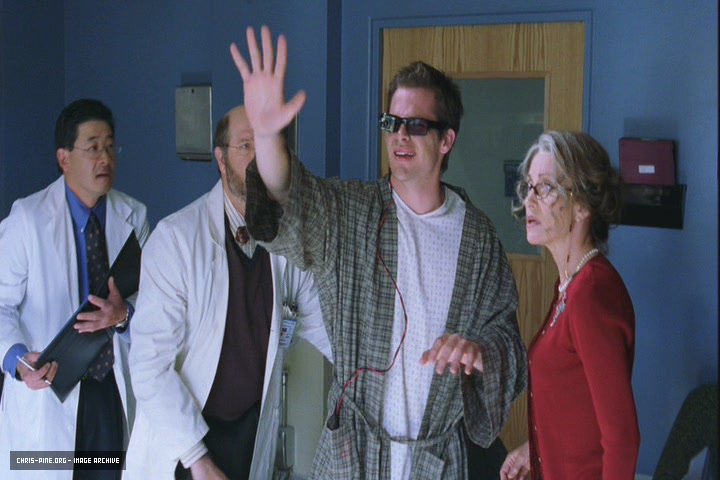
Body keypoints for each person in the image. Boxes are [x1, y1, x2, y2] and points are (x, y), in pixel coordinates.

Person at [230, 26, 527, 479]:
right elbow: (289, 200)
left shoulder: (478, 238)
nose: (400, 136)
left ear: (446, 140)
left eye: (416, 125)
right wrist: (269, 137)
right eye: (391, 123)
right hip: (353, 455)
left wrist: (479, 350)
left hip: (436, 460)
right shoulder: (351, 214)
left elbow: (507, 338)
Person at [124, 105, 331, 480]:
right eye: (246, 145)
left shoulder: (286, 241)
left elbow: (325, 326)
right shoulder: (175, 240)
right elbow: (149, 366)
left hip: (248, 441)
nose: (258, 158)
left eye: (266, 144)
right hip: (183, 448)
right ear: (220, 160)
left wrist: (381, 369)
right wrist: (197, 458)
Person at [0, 98, 149, 480]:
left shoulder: (134, 217)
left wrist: (124, 315)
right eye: (93, 147)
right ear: (64, 158)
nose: (105, 158)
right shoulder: (28, 219)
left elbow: (155, 303)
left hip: (109, 392)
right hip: (46, 396)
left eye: (110, 147)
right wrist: (17, 360)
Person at [500, 131, 641, 480]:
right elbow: (577, 408)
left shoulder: (591, 293)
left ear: (582, 205)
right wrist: (536, 449)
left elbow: (622, 437)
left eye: (545, 188)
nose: (529, 201)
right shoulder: (569, 283)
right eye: (529, 187)